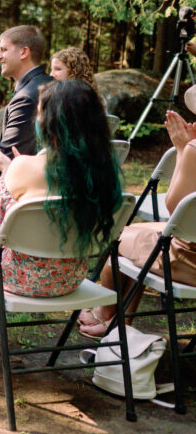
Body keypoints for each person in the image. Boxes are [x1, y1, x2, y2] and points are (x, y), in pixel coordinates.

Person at [0, 80, 123, 360]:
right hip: (71, 276)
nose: (37, 119)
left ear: (52, 122)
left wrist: (9, 177)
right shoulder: (104, 174)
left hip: (17, 278)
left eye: (40, 113)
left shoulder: (25, 167)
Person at [77, 91, 196, 338]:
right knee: (139, 232)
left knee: (119, 236)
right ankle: (119, 321)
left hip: (188, 261)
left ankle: (108, 315)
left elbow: (176, 209)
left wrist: (182, 149)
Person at [0, 25, 53, 196]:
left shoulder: (27, 96)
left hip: (29, 188)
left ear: (23, 53)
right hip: (46, 180)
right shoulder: (50, 83)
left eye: (3, 50)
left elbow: (6, 156)